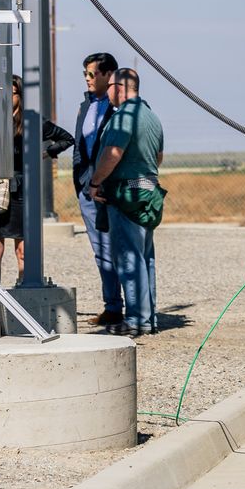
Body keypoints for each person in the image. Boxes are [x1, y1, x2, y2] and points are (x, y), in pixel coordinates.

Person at [88, 68, 164, 336]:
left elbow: (113, 152)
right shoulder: (151, 117)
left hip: (126, 194)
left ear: (119, 88)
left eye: (109, 86)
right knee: (145, 257)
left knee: (129, 258)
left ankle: (135, 321)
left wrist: (95, 182)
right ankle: (147, 318)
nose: (107, 92)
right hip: (149, 192)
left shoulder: (123, 117)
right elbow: (158, 157)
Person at [1, 75, 75, 280]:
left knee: (22, 248)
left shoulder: (31, 122)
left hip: (21, 189)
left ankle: (24, 285)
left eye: (11, 93)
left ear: (20, 95)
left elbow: (67, 139)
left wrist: (46, 153)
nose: (6, 97)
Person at [73, 53, 123, 327]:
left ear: (108, 75)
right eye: (85, 74)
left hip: (110, 189)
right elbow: (80, 147)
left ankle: (136, 310)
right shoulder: (86, 105)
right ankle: (112, 306)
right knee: (101, 250)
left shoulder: (118, 108)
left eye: (91, 74)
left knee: (122, 249)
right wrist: (82, 181)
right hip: (87, 189)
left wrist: (103, 181)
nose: (87, 79)